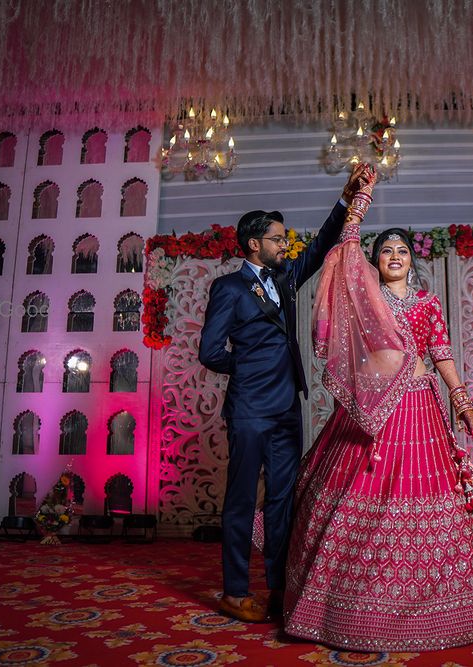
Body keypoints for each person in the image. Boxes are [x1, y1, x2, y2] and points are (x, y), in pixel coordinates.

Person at [282, 198, 473, 650]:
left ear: (412, 261)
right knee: (359, 491)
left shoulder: (427, 305)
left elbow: (442, 353)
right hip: (374, 412)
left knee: (430, 496)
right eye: (386, 250)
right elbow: (346, 257)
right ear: (376, 261)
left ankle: (445, 606)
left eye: (403, 251)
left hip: (419, 409)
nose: (394, 255)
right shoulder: (366, 302)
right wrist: (356, 209)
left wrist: (460, 396)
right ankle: (348, 608)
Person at [198, 163, 375, 623]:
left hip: (286, 410)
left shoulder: (285, 278)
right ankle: (234, 591)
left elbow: (319, 246)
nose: (285, 244)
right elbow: (210, 350)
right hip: (249, 410)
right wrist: (251, 365)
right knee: (240, 500)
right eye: (278, 238)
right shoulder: (229, 288)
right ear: (255, 243)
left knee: (282, 500)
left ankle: (279, 588)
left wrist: (344, 199)